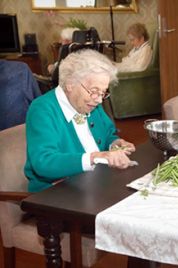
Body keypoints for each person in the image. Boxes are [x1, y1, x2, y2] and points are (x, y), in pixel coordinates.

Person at [25, 49, 136, 192]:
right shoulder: (42, 109)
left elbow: (108, 134)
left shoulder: (90, 104)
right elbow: (43, 162)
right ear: (70, 83)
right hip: (58, 192)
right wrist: (94, 157)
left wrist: (114, 144)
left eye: (103, 92)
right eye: (94, 91)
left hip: (95, 182)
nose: (99, 100)